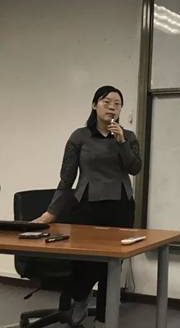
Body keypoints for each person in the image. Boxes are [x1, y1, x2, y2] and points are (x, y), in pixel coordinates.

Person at [33, 85, 142, 328]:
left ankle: (104, 319)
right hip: (86, 206)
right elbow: (66, 178)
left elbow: (134, 168)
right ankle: (80, 300)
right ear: (94, 105)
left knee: (111, 268)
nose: (112, 107)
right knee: (84, 263)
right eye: (106, 101)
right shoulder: (80, 136)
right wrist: (50, 212)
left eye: (117, 103)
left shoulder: (128, 136)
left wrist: (121, 142)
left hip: (120, 206)